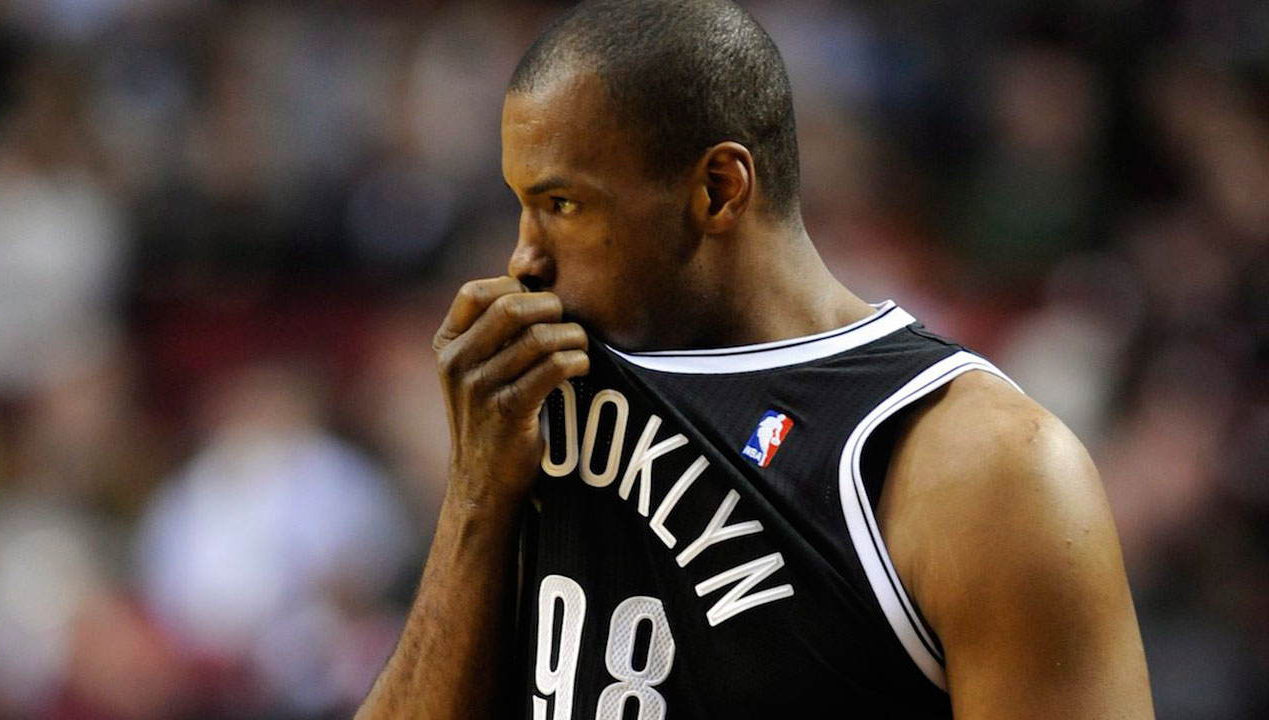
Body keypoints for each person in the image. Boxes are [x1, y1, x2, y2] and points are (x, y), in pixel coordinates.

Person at [357, 1, 1154, 717]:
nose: (523, 258)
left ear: (717, 188)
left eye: (561, 205)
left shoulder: (980, 464)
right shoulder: (535, 410)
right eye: (521, 206)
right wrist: (472, 497)